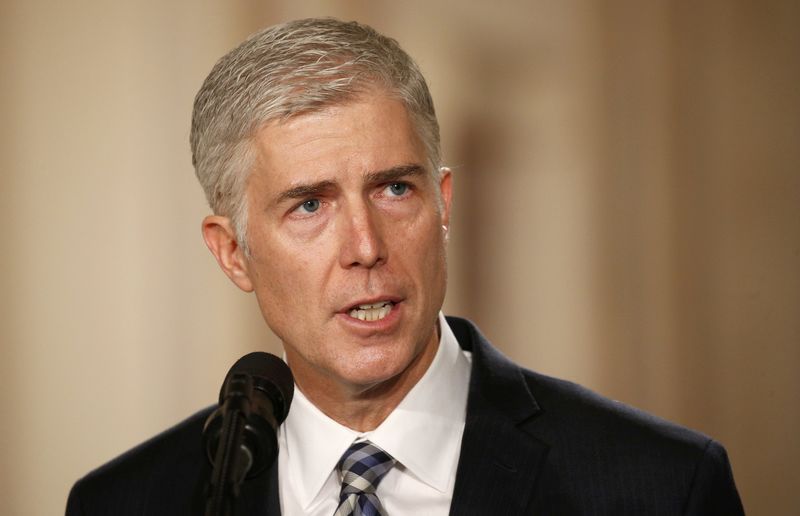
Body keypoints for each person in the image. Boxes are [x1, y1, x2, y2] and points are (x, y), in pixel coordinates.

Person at [66, 18, 744, 516]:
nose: (366, 246)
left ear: (443, 203)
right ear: (232, 252)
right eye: (309, 205)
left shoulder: (661, 488)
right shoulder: (127, 503)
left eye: (395, 189)